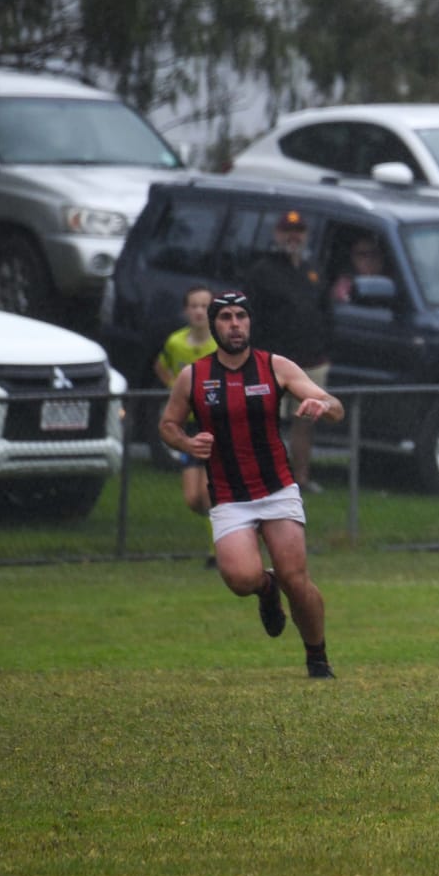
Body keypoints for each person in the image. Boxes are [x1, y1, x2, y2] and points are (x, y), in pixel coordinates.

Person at [158, 290, 344, 679]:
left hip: (276, 488)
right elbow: (168, 425)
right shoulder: (194, 376)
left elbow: (335, 406)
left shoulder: (275, 366)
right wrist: (187, 443)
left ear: (250, 322)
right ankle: (265, 588)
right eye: (225, 317)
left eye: (241, 316)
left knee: (296, 579)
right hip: (229, 495)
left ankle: (317, 658)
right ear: (214, 326)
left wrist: (322, 405)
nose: (235, 324)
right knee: (241, 579)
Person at [241, 209, 333, 493]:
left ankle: (300, 479)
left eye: (299, 232)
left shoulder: (313, 271)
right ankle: (269, 479)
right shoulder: (262, 271)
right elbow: (249, 316)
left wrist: (325, 347)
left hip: (311, 361)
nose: (293, 237)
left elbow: (326, 313)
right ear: (277, 235)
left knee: (306, 421)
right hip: (274, 362)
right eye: (288, 231)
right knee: (269, 422)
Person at [153, 284, 219, 534]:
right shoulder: (176, 342)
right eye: (194, 306)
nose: (199, 311)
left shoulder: (220, 344)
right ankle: (228, 522)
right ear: (186, 311)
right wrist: (175, 386)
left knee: (209, 492)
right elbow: (161, 365)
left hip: (215, 425)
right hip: (189, 426)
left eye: (205, 306)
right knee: (193, 499)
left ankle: (219, 546)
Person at [328, 234, 388, 304]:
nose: (369, 259)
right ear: (352, 258)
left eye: (374, 254)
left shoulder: (393, 281)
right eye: (362, 254)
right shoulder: (345, 286)